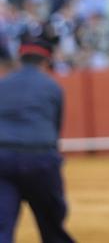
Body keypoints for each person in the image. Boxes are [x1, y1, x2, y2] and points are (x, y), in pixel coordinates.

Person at [0, 37, 74, 243]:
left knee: (2, 227)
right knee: (52, 226)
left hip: (2, 159)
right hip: (39, 158)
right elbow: (54, 131)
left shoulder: (2, 85)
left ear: (20, 59)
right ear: (46, 62)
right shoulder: (52, 87)